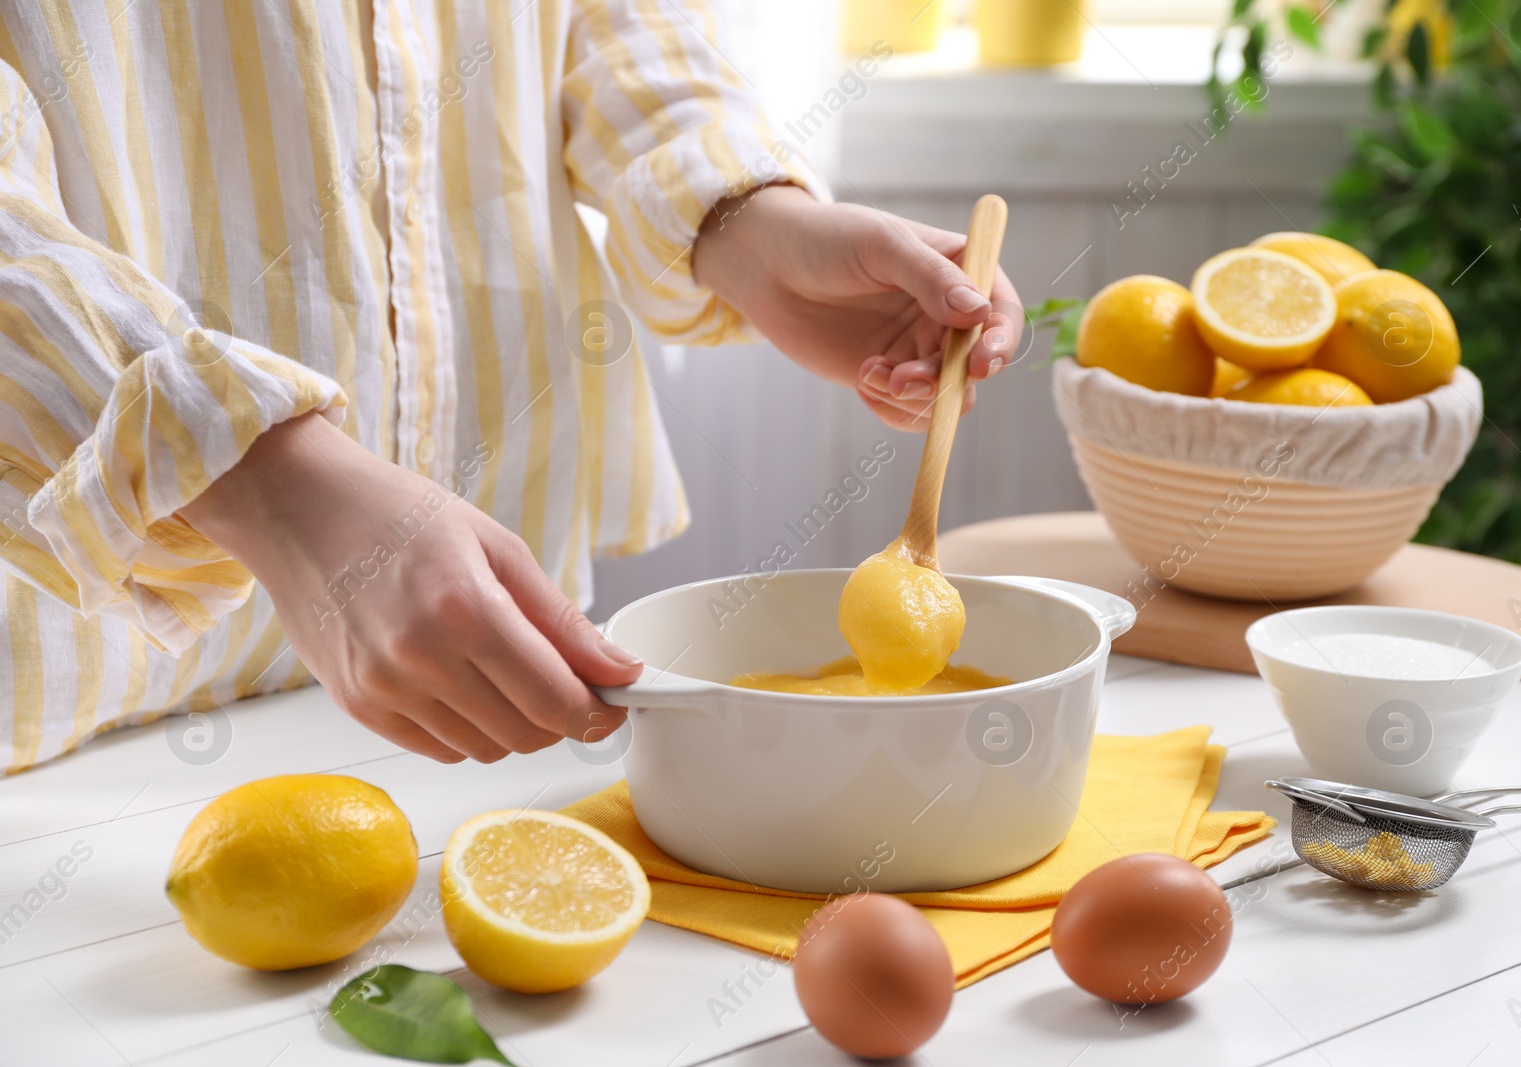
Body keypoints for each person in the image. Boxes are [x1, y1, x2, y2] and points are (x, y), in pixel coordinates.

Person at [0, 1, 1018, 773]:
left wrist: (744, 221)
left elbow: (611, 25)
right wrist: (262, 475)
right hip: (75, 702)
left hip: (482, 671)